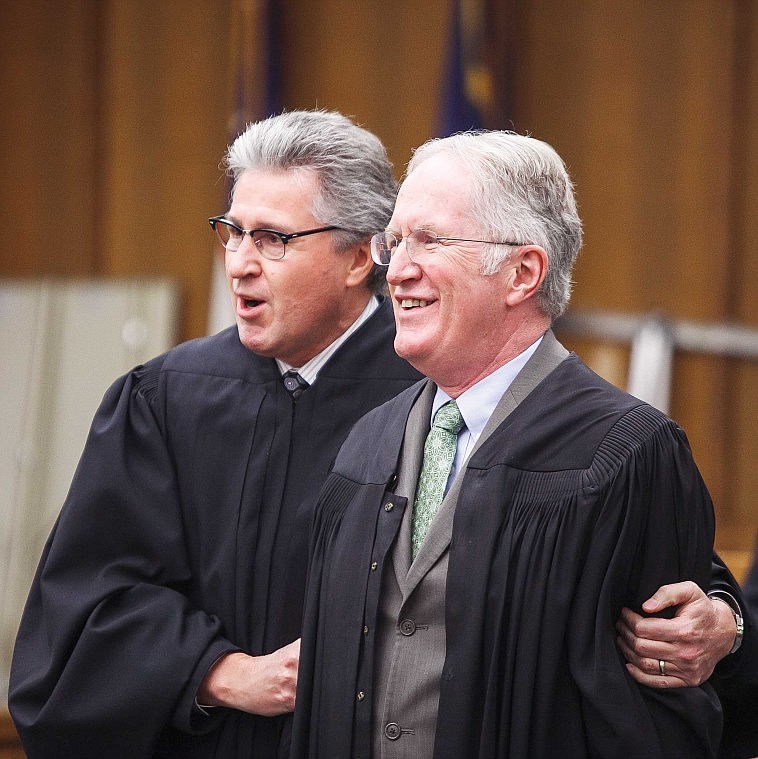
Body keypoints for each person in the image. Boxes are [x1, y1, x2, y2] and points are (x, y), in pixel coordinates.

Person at [291, 130, 724, 758]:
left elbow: (666, 697)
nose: (396, 267)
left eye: (431, 240)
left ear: (522, 272)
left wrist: (727, 626)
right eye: (396, 239)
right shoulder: (370, 442)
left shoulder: (623, 452)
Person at [8, 110, 421, 759]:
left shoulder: (429, 401)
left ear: (360, 255)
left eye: (273, 239)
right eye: (232, 231)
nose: (240, 263)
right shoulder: (168, 398)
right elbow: (85, 607)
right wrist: (218, 672)